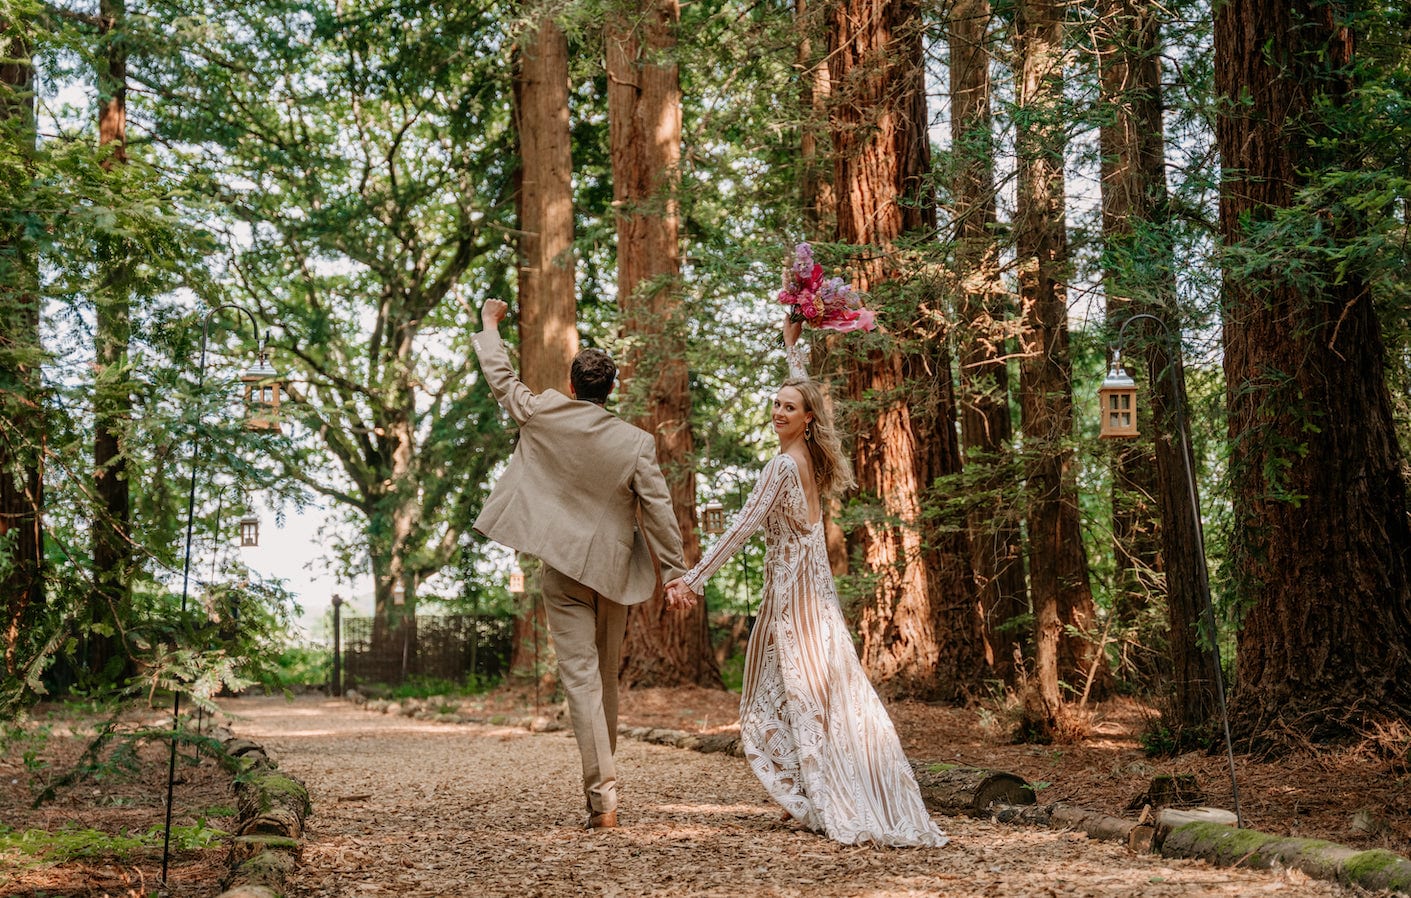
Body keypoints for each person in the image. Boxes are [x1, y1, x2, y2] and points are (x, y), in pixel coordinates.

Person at [664, 317, 948, 848]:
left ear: (807, 419)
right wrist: (794, 353)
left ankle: (824, 792)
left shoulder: (782, 468)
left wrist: (693, 579)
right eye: (775, 404)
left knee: (801, 690)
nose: (778, 411)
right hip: (812, 591)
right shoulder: (811, 460)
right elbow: (806, 397)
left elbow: (743, 527)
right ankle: (821, 791)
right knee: (820, 689)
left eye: (788, 407)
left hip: (796, 594)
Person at [472, 298, 691, 831]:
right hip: (615, 576)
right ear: (609, 390)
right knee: (605, 682)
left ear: (573, 386)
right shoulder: (635, 442)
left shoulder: (544, 410)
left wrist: (489, 324)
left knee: (583, 682)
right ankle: (604, 794)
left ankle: (604, 799)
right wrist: (676, 571)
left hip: (565, 573)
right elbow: (658, 508)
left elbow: (502, 380)